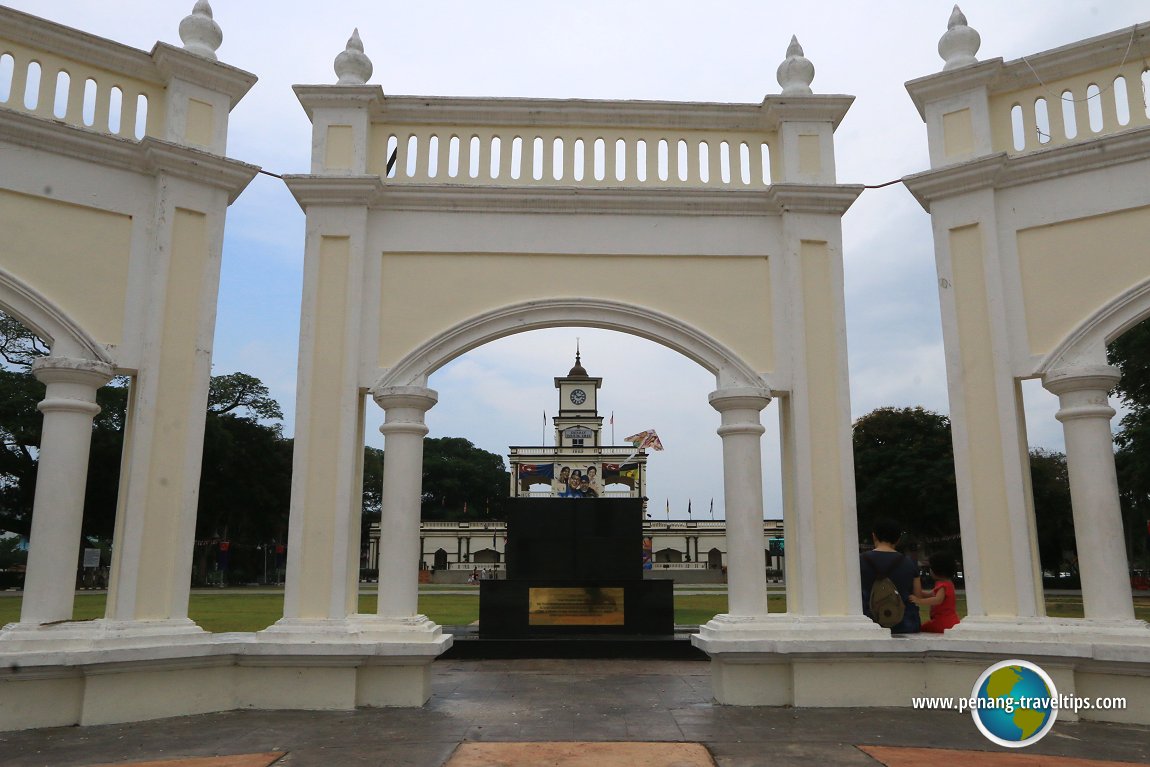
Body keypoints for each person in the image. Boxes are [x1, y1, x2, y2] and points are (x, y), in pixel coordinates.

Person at [860, 518, 921, 634]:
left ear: (874, 536)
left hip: (869, 623)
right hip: (905, 623)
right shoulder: (909, 562)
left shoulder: (860, 560)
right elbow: (917, 594)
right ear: (898, 539)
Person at [911, 552, 961, 633]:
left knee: (919, 629)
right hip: (951, 620)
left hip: (942, 622)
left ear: (936, 570)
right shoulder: (948, 583)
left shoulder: (943, 585)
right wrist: (916, 591)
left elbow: (938, 600)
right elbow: (931, 594)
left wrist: (919, 601)